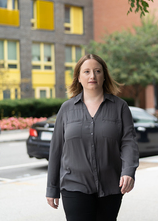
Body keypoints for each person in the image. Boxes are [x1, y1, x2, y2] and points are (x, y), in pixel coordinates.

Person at [46, 54, 139, 221]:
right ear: (79, 78)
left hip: (111, 186)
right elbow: (56, 150)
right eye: (87, 71)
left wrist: (128, 171)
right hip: (74, 185)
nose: (92, 76)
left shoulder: (120, 107)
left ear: (104, 76)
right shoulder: (66, 109)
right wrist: (52, 188)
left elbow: (128, 142)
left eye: (97, 71)